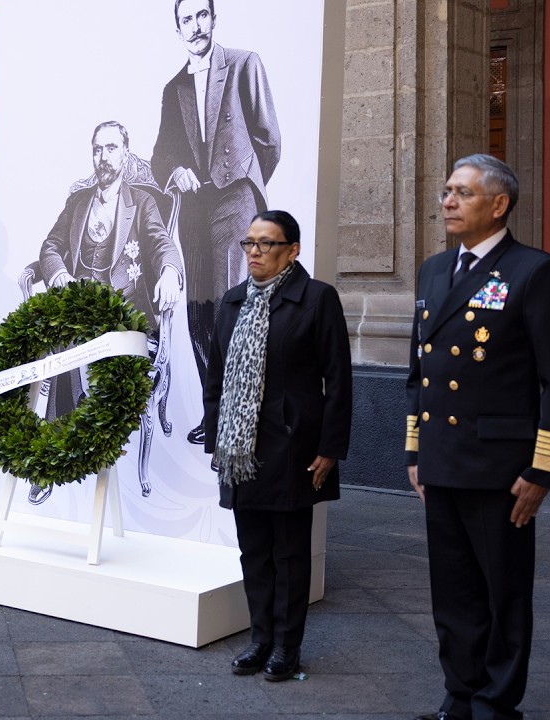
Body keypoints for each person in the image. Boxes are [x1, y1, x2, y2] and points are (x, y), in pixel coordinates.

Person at [406, 154, 550, 720]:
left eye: (463, 193)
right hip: (441, 459)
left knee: (503, 593)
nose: (448, 202)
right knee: (452, 592)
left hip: (500, 468)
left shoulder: (533, 271)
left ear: (499, 204)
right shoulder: (434, 269)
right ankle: (460, 693)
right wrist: (415, 450)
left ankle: (495, 704)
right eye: (447, 191)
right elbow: (419, 370)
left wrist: (543, 471)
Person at [203, 209, 351, 681]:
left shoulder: (316, 299)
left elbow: (339, 381)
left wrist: (330, 448)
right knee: (254, 550)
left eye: (266, 244)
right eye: (249, 243)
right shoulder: (231, 302)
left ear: (293, 250)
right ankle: (260, 638)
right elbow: (217, 379)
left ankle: (287, 645)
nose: (254, 252)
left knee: (289, 552)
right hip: (241, 450)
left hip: (294, 447)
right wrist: (217, 440)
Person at [152, 0, 281, 446]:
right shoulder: (174, 88)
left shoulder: (244, 65)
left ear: (213, 18)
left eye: (201, 16)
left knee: (232, 305)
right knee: (198, 313)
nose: (195, 26)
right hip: (193, 208)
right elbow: (160, 155)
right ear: (178, 29)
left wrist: (246, 188)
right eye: (185, 20)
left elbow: (269, 140)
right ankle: (215, 415)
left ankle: (239, 423)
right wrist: (175, 172)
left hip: (234, 200)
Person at [37, 120, 184, 498]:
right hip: (81, 309)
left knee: (81, 345)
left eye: (112, 148)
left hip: (125, 317)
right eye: (98, 150)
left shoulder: (143, 201)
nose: (104, 157)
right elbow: (50, 247)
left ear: (125, 152)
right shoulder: (77, 202)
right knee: (65, 339)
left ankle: (85, 428)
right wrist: (59, 278)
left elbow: (162, 243)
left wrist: (169, 270)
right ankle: (55, 455)